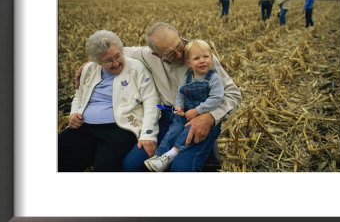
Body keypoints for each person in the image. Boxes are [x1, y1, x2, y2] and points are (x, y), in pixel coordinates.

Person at [74, 22, 242, 172]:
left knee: (181, 169)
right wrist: (90, 64)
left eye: (179, 46)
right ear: (157, 55)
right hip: (169, 119)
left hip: (200, 117)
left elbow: (233, 94)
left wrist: (210, 117)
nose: (179, 55)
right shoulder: (147, 55)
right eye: (171, 54)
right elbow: (115, 52)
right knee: (131, 165)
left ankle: (206, 150)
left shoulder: (201, 58)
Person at [59, 30, 160, 172]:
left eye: (118, 56)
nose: (116, 63)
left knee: (106, 168)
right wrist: (74, 113)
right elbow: (79, 96)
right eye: (108, 61)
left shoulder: (136, 68)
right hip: (84, 126)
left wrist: (148, 134)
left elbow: (151, 101)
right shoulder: (89, 69)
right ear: (97, 61)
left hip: (121, 128)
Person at [144, 40, 224, 171]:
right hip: (186, 113)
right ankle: (158, 156)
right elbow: (180, 94)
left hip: (203, 115)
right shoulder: (187, 77)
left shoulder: (213, 77)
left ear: (212, 58)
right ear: (189, 63)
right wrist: (179, 106)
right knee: (174, 131)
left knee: (187, 133)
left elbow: (216, 98)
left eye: (206, 57)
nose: (202, 61)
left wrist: (198, 111)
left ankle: (172, 154)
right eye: (197, 58)